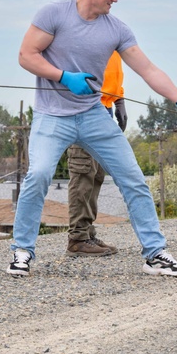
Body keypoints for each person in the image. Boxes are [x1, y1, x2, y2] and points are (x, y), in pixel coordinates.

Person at [8, 0, 177, 277]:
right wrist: (63, 76)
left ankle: (155, 254)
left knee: (133, 179)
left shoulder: (116, 29)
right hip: (52, 116)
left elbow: (148, 69)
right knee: (38, 176)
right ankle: (21, 251)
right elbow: (26, 55)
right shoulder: (53, 14)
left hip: (94, 115)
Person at [65, 51, 125, 256]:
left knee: (96, 174)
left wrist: (119, 101)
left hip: (104, 108)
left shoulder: (111, 36)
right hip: (84, 109)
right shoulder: (81, 34)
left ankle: (87, 233)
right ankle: (77, 238)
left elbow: (112, 74)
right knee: (83, 172)